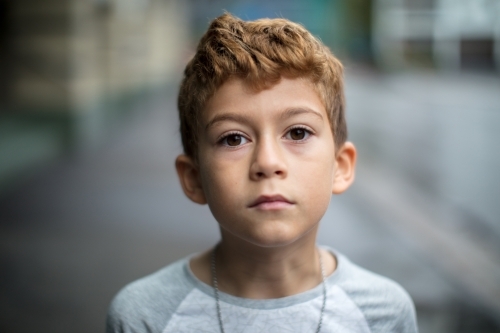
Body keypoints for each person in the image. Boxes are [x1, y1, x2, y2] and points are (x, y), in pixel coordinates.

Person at [106, 12, 418, 333]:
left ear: (340, 166)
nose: (268, 162)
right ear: (194, 178)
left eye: (297, 133)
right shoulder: (144, 316)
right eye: (233, 138)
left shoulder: (384, 314)